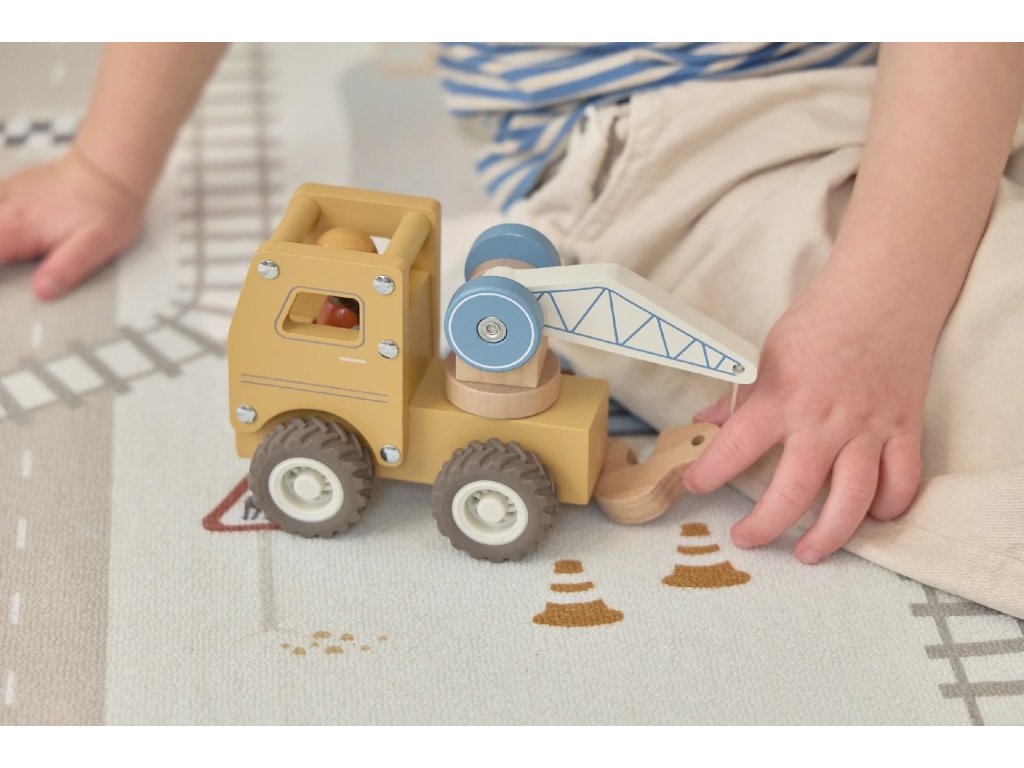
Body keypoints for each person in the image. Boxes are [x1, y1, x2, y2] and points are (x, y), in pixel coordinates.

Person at [2, 42, 1023, 571]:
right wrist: (107, 165)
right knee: (962, 401)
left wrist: (881, 300)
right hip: (694, 134)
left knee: (877, 355)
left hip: (934, 84)